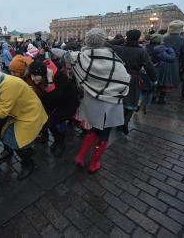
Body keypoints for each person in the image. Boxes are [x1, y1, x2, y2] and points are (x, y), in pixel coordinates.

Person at [50, 28, 130, 173]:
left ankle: (80, 157)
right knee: (104, 134)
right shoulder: (113, 57)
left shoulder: (80, 57)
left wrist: (50, 48)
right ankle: (93, 164)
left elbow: (60, 53)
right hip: (112, 102)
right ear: (103, 40)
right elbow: (124, 77)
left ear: (86, 41)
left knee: (93, 129)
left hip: (93, 101)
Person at [28, 60, 79, 156]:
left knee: (59, 123)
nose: (33, 78)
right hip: (53, 104)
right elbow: (46, 96)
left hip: (66, 104)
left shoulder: (60, 77)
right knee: (50, 124)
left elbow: (55, 97)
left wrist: (50, 81)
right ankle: (57, 141)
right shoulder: (40, 78)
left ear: (43, 74)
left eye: (35, 76)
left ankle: (61, 144)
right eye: (32, 75)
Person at [112, 29, 156, 134]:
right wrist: (154, 79)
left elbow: (106, 43)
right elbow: (149, 66)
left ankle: (118, 122)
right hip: (133, 78)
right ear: (138, 38)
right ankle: (125, 122)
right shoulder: (141, 51)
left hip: (118, 76)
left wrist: (120, 40)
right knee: (132, 102)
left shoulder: (118, 48)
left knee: (119, 100)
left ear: (126, 37)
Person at [146, 34, 177, 104]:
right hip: (157, 69)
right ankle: (155, 98)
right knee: (159, 82)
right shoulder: (159, 49)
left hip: (147, 69)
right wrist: (170, 49)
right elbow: (171, 58)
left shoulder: (146, 47)